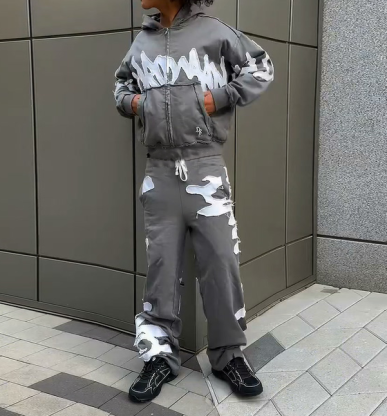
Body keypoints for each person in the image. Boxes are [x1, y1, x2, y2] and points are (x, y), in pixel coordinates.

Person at [114, 0, 274, 403]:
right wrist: (138, 104)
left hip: (206, 167)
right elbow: (121, 87)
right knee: (161, 268)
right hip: (159, 171)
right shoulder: (142, 41)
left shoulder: (215, 32)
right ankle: (158, 356)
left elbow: (261, 67)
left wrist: (216, 99)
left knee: (221, 261)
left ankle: (228, 356)